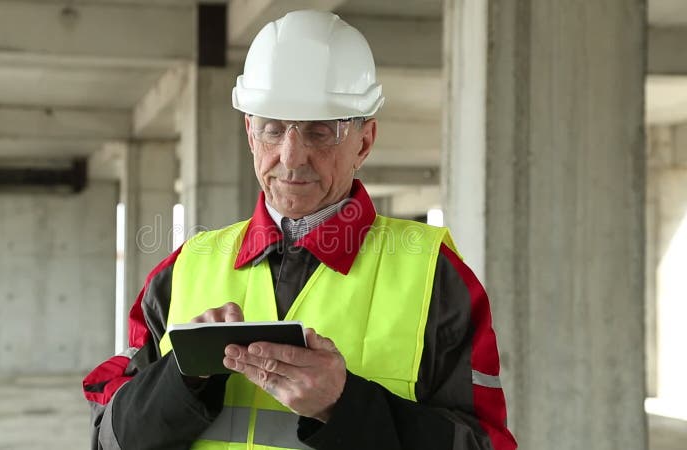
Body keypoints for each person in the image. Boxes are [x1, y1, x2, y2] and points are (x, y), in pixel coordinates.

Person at [83, 9, 517, 450]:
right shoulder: (184, 271)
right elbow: (110, 439)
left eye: (321, 132)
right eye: (272, 129)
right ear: (250, 133)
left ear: (363, 141)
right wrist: (179, 380)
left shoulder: (435, 280)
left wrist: (345, 406)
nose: (291, 157)